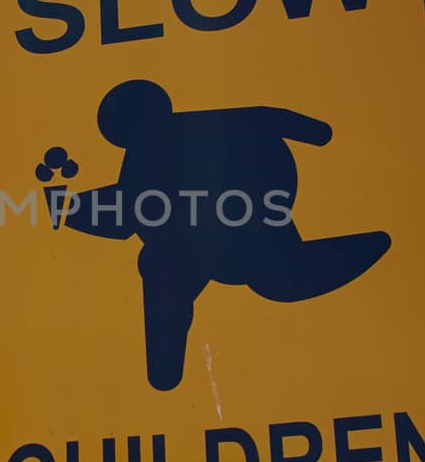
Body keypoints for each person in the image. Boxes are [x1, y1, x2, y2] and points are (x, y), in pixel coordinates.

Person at [62, 79, 390, 390]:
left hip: (246, 220)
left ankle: (165, 364)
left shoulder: (192, 135)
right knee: (163, 268)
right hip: (208, 240)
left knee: (191, 266)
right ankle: (165, 365)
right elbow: (125, 208)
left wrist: (66, 208)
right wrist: (65, 208)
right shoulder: (149, 157)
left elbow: (125, 209)